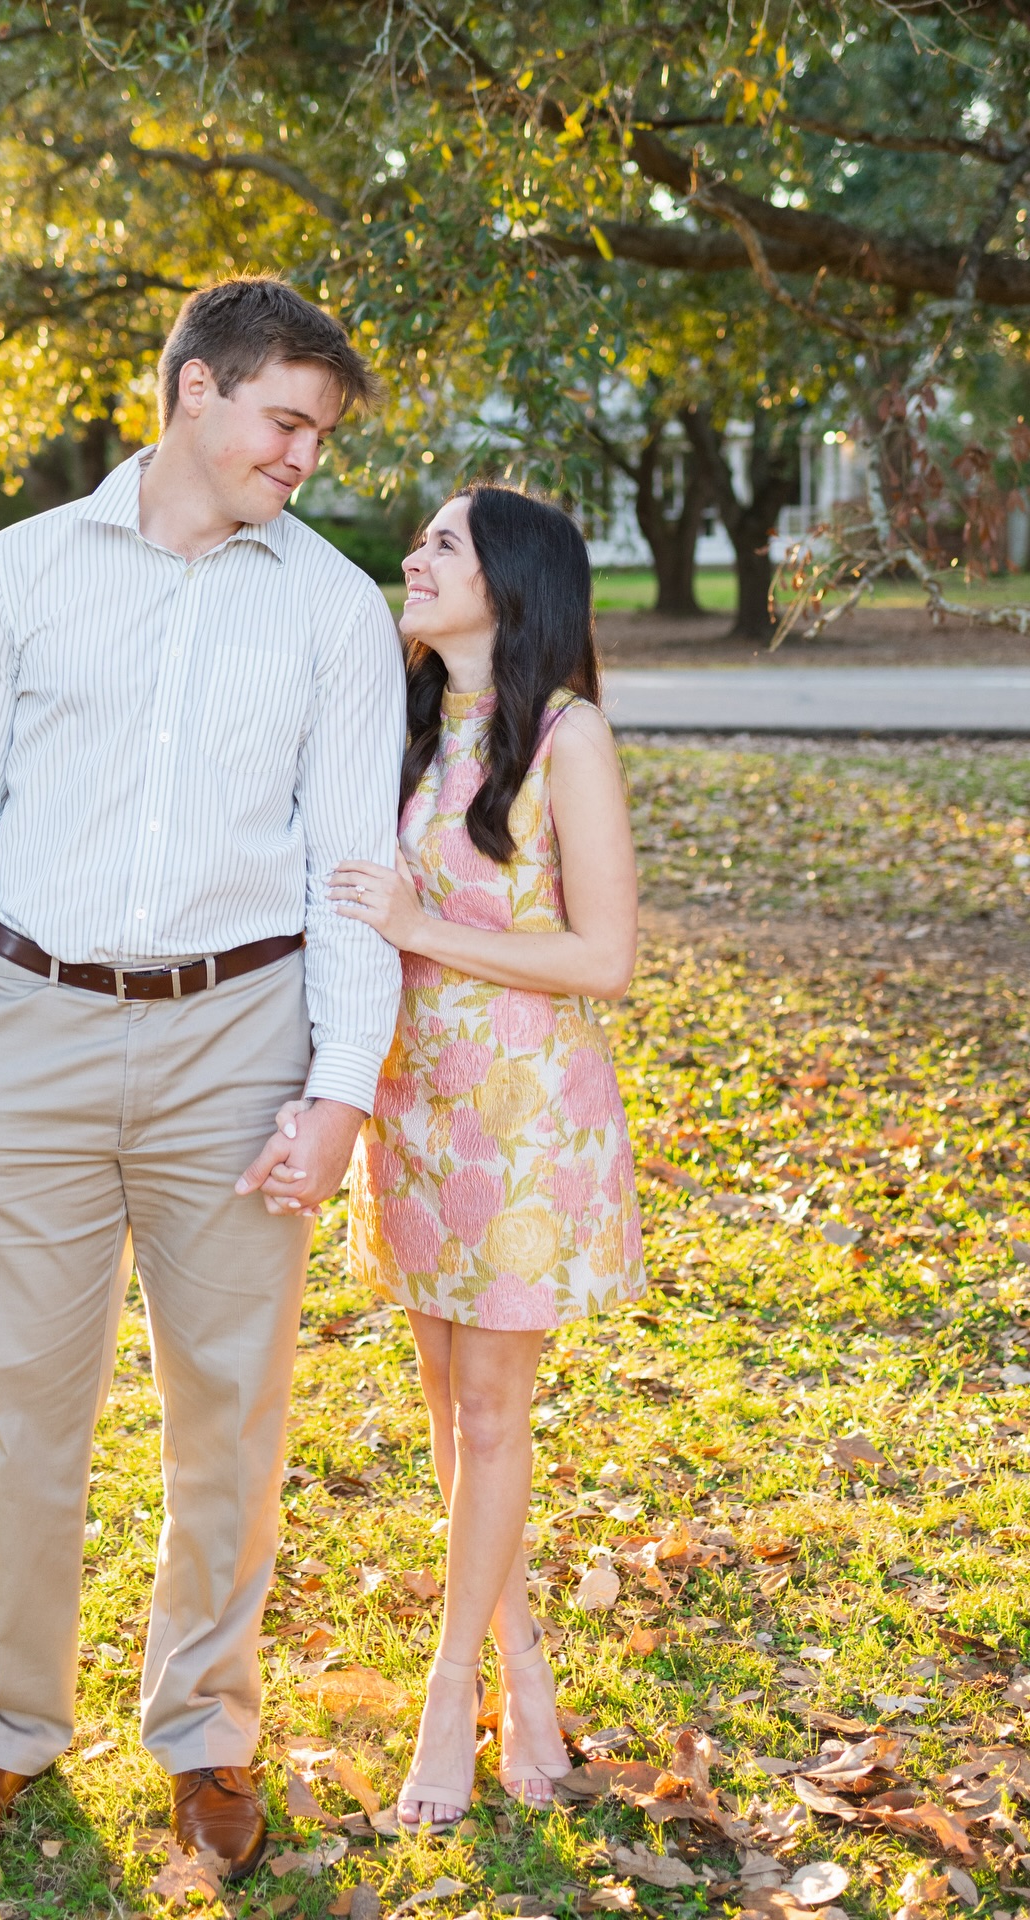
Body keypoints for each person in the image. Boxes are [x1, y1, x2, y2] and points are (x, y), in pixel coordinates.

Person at [0, 276, 405, 1882]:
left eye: (321, 433)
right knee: (22, 1411)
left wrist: (339, 1087)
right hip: (20, 1032)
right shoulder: (21, 574)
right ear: (191, 388)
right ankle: (4, 1736)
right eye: (284, 419)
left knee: (231, 1416)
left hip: (238, 1043)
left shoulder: (332, 610)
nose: (304, 455)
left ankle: (205, 1738)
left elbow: (351, 871)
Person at [280, 485, 644, 1831]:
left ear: (514, 578)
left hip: (527, 1123)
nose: (414, 558)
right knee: (449, 1418)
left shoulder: (568, 736)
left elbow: (601, 957)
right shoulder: (411, 731)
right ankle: (527, 1670)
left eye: (444, 542)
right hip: (415, 1114)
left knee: (490, 1419)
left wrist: (424, 922)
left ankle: (454, 1704)